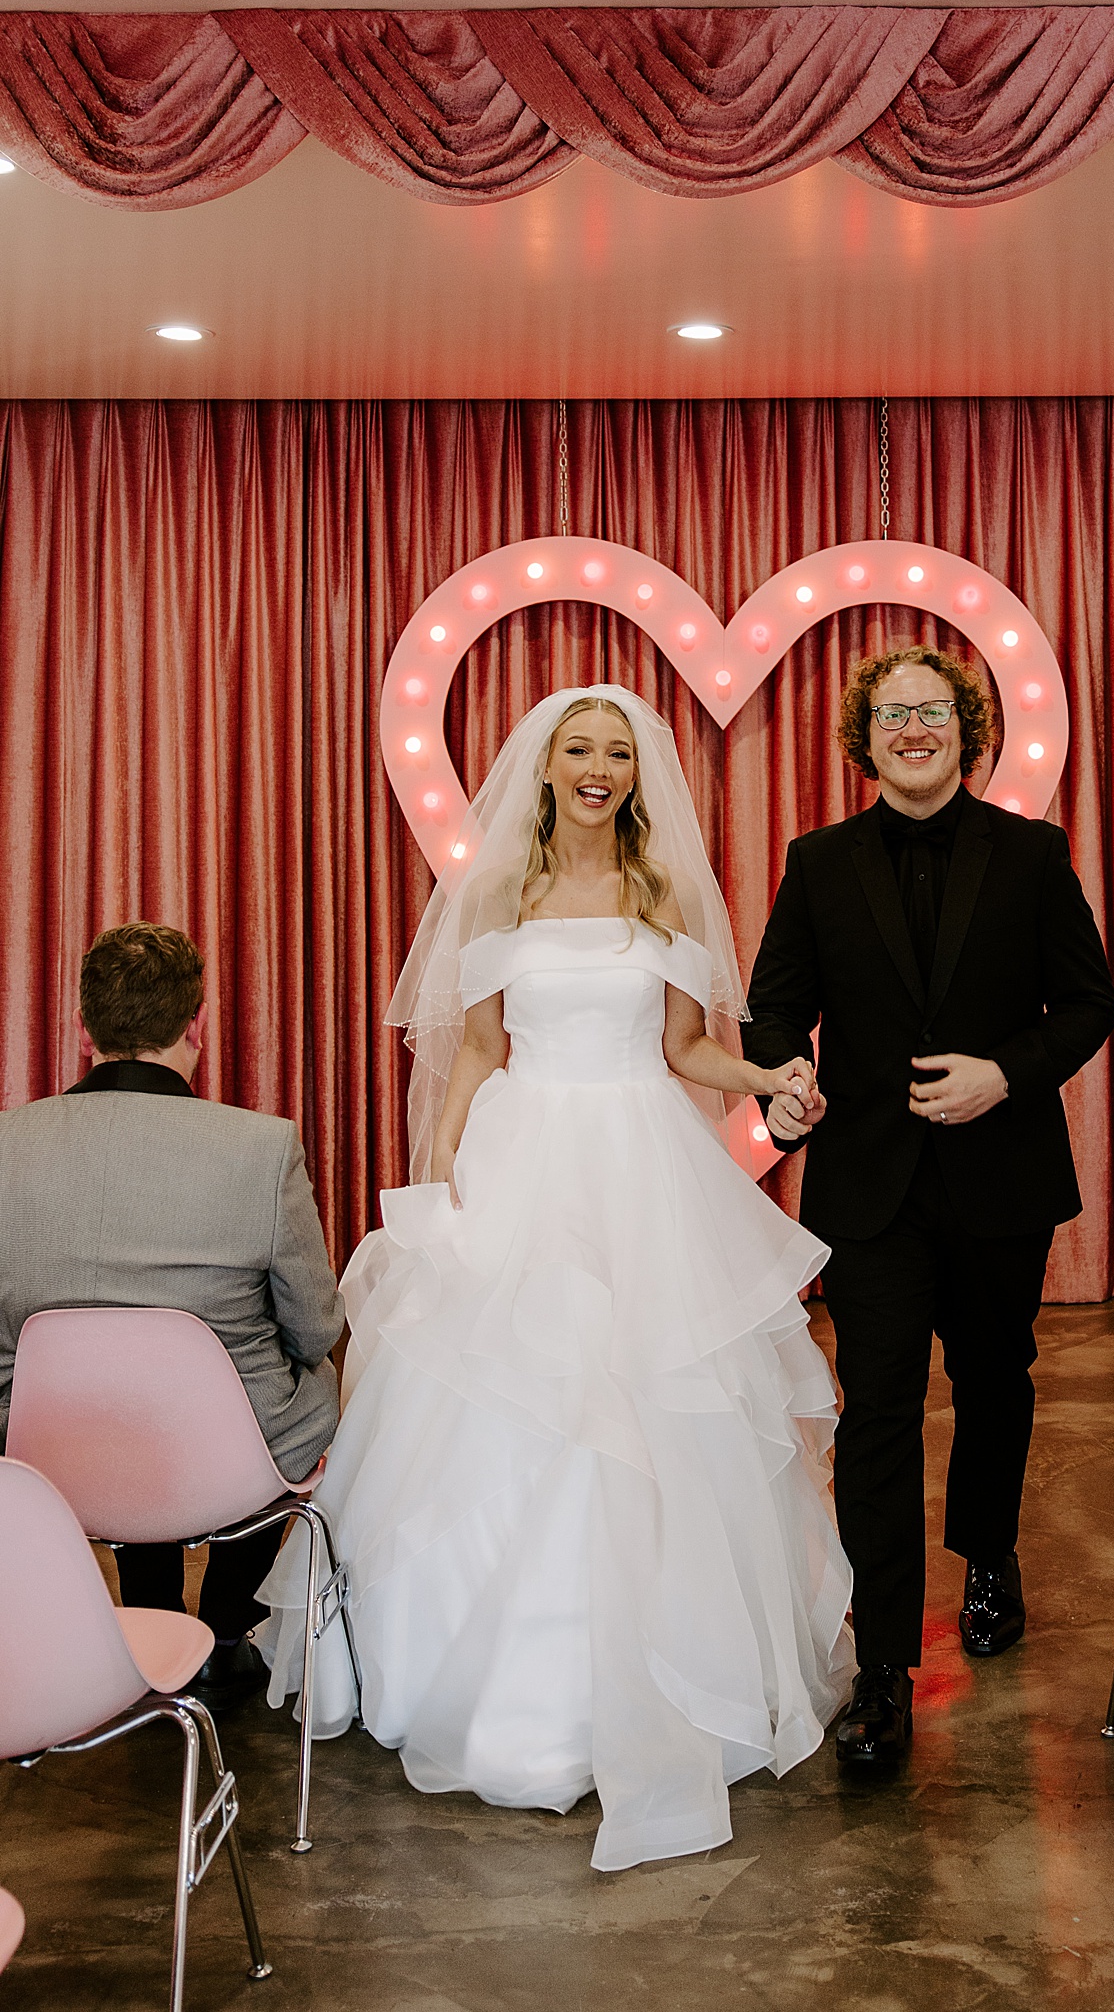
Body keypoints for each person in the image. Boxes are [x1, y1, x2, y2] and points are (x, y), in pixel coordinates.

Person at [256, 686, 854, 1871]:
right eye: (580, 750)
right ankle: (495, 1683)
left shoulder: (665, 892)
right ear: (543, 767)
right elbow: (477, 1051)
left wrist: (773, 1079)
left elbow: (686, 1049)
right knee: (510, 1399)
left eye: (618, 754)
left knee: (655, 1403)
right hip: (524, 1158)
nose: (599, 769)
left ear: (639, 774)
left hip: (646, 1165)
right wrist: (437, 1198)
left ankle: (672, 1680)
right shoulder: (497, 894)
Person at [743, 646, 1114, 1766]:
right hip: (870, 1184)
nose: (917, 728)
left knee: (997, 1380)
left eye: (937, 710)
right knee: (880, 1414)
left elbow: (1088, 1003)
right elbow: (772, 1012)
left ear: (969, 728)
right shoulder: (817, 864)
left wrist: (1006, 1072)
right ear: (865, 737)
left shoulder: (1034, 854)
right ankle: (882, 1668)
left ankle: (991, 1553)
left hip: (1002, 1173)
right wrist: (787, 1080)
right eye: (895, 713)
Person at [0, 922, 343, 1690]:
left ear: (85, 1030)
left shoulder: (4, 1146)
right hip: (227, 1461)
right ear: (196, 1026)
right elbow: (316, 1325)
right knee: (315, 1379)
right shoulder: (263, 1147)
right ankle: (223, 1624)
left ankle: (150, 1608)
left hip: (55, 1446)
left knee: (113, 1399)